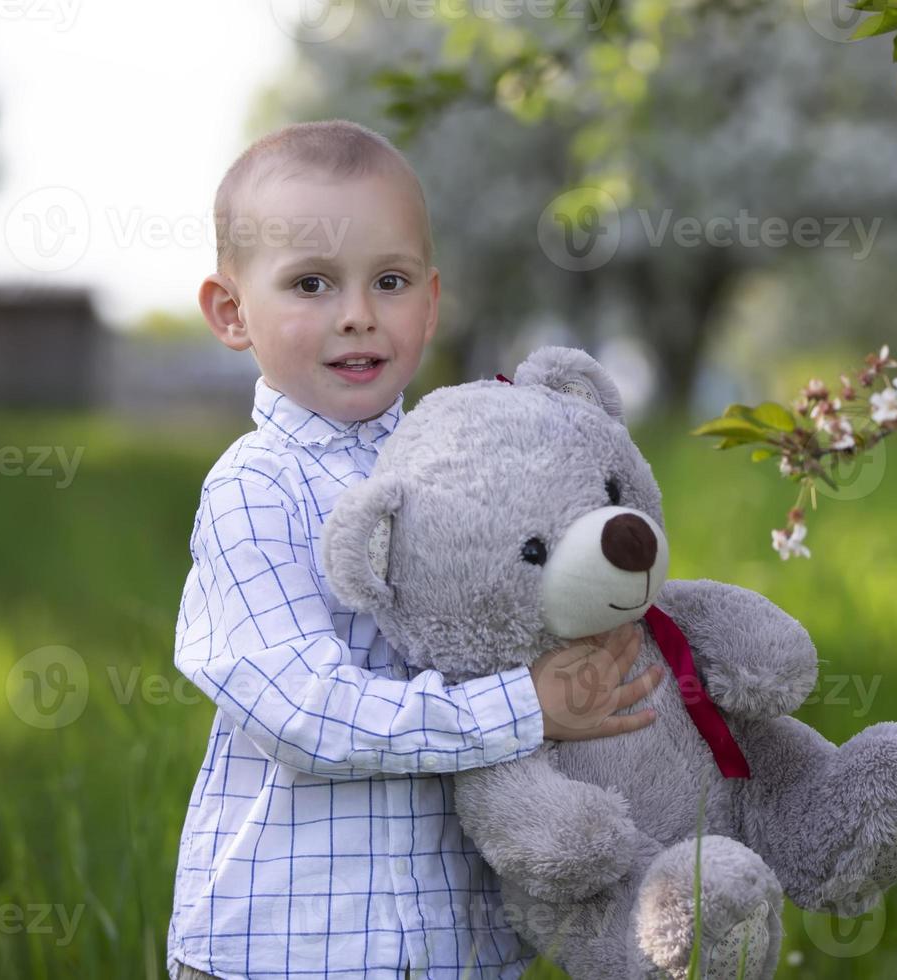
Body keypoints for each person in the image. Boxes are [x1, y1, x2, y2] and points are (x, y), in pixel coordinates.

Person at [167, 119, 664, 980]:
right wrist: (522, 707)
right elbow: (303, 710)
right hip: (290, 946)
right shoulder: (256, 490)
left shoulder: (465, 467)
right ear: (231, 311)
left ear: (430, 303)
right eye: (311, 283)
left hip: (455, 945)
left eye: (388, 282)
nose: (357, 315)